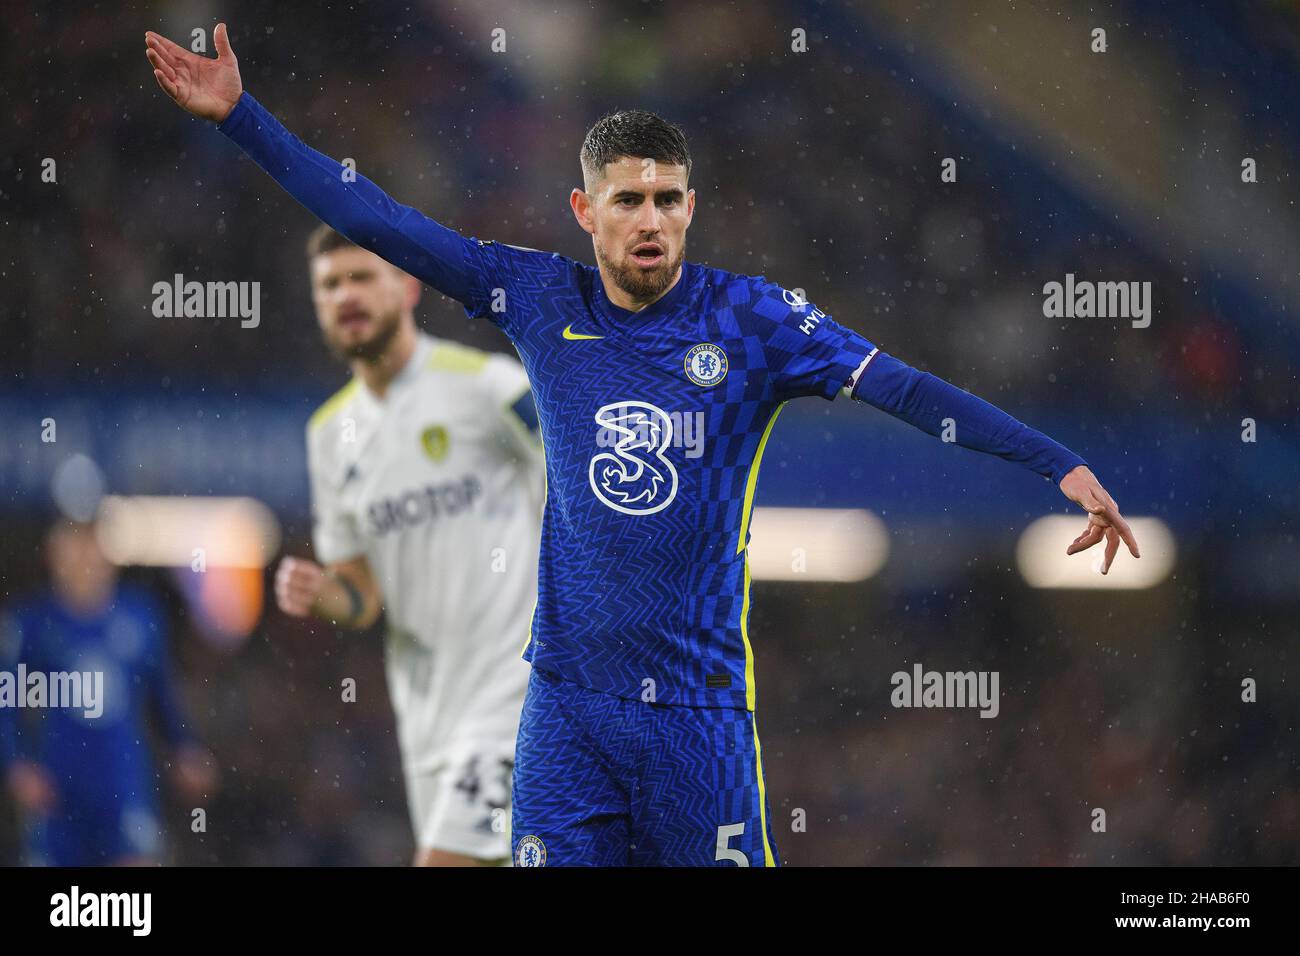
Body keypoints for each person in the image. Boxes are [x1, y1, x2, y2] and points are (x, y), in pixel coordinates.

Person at [145, 24, 1140, 866]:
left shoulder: (754, 321)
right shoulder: (538, 297)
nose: (651, 220)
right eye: (628, 200)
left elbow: (906, 389)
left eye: (668, 199)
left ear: (691, 207)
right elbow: (378, 219)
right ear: (586, 212)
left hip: (697, 719)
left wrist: (1056, 460)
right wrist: (242, 117)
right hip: (567, 710)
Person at [274, 225, 544, 866]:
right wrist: (325, 597)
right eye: (330, 286)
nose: (347, 296)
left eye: (362, 277)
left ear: (408, 284)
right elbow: (362, 596)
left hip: (519, 690)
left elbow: (584, 481)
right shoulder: (328, 435)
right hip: (428, 717)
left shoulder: (488, 386)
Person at [0, 519, 215, 865]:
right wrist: (16, 763)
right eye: (73, 550)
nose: (84, 561)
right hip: (57, 783)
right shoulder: (32, 624)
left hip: (121, 777)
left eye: (91, 549)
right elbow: (5, 699)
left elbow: (161, 693)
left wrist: (184, 746)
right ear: (54, 557)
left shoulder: (140, 617)